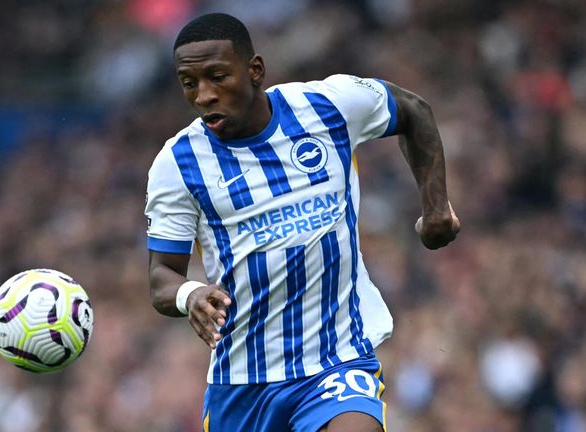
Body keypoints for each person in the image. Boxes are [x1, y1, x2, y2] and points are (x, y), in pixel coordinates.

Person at [145, 12, 460, 432]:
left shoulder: (327, 106)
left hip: (336, 359)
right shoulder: (177, 164)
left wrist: (436, 206)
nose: (204, 95)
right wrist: (190, 294)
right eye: (189, 83)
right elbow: (162, 276)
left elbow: (413, 111)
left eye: (217, 76)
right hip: (244, 382)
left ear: (255, 70)